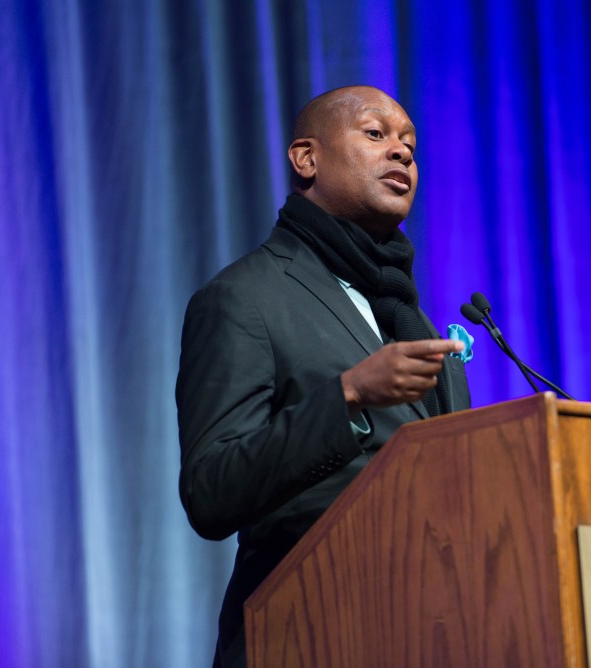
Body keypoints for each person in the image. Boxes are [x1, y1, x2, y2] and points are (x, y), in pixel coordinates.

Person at [176, 85, 471, 667]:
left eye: (409, 142)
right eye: (376, 134)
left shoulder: (412, 319)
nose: (403, 153)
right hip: (306, 635)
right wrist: (349, 396)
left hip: (432, 632)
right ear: (306, 159)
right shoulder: (244, 298)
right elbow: (210, 491)